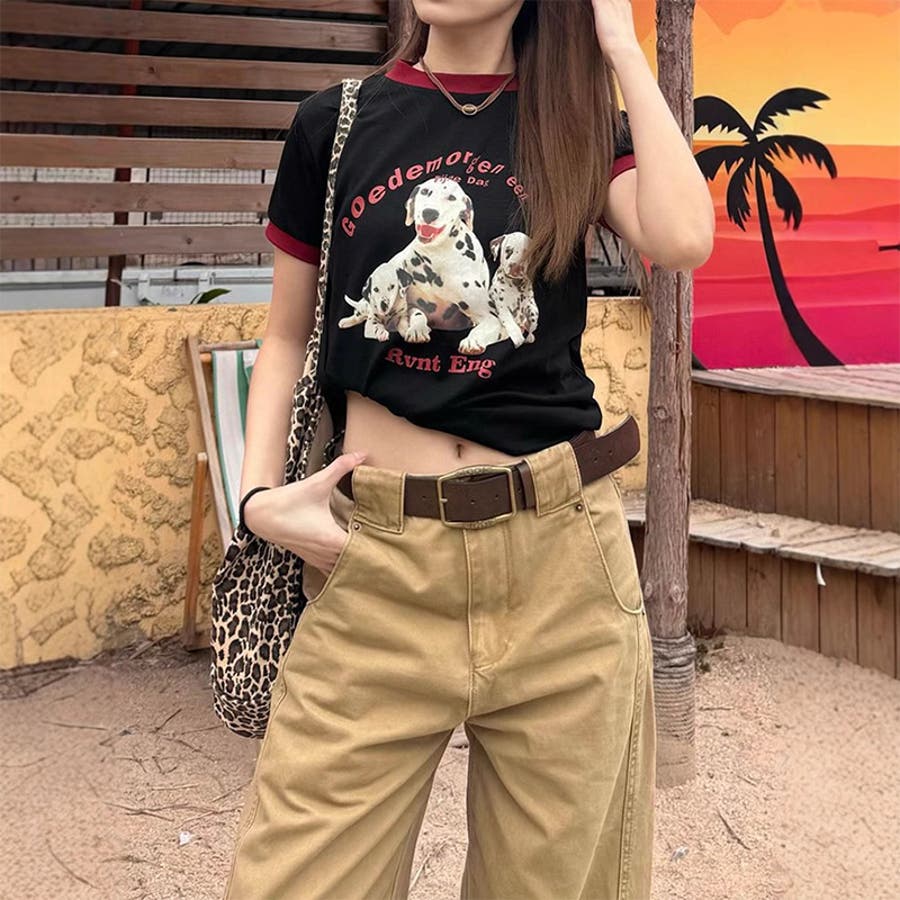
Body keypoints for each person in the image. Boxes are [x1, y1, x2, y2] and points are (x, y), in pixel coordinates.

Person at [224, 0, 714, 897]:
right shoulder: (335, 123)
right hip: (374, 558)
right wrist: (257, 502)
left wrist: (617, 42)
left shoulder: (572, 126)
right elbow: (286, 336)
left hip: (560, 564)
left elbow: (683, 237)